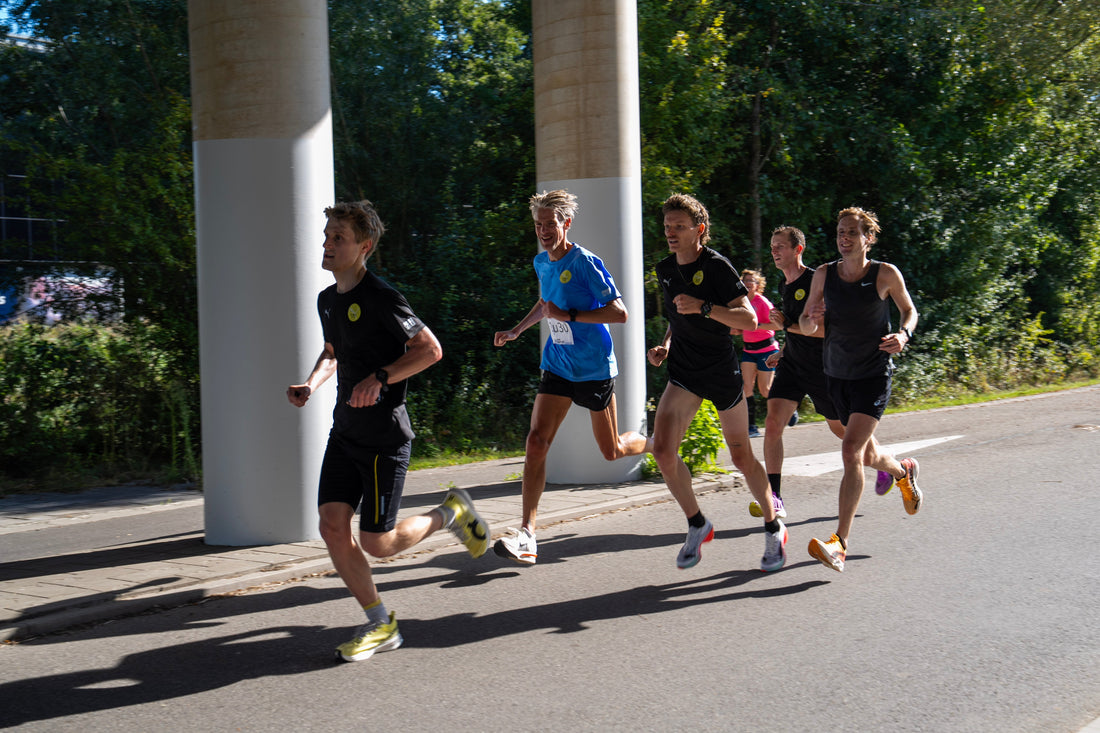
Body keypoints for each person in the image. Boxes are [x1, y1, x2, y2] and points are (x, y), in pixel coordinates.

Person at [288, 200, 490, 662]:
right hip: (345, 432)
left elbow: (430, 350)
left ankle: (451, 514)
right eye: (326, 236)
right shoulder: (328, 299)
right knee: (332, 526)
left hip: (384, 440)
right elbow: (334, 351)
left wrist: (380, 378)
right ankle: (380, 623)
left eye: (337, 237)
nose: (327, 243)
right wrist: (311, 383)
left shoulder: (381, 297)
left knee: (379, 544)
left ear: (365, 246)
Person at [492, 189, 650, 565]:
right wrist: (518, 330)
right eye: (538, 225)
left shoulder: (585, 262)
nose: (544, 231)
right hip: (558, 364)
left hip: (594, 366)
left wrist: (572, 317)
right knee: (536, 441)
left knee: (611, 451)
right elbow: (547, 303)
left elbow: (620, 313)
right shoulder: (541, 262)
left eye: (550, 224)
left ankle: (656, 443)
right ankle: (528, 534)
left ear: (566, 222)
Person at [648, 193, 786, 573]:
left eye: (679, 226)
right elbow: (678, 320)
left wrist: (706, 307)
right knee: (662, 450)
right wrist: (663, 345)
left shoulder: (716, 267)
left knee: (741, 457)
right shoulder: (664, 268)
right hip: (684, 371)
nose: (671, 233)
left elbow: (749, 321)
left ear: (699, 230)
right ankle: (697, 523)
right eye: (667, 227)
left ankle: (773, 526)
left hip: (721, 371)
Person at [798, 206, 924, 572]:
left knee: (851, 450)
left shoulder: (884, 274)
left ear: (868, 237)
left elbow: (909, 311)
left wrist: (904, 334)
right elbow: (806, 323)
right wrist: (811, 319)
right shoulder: (823, 274)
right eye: (840, 232)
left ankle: (840, 543)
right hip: (835, 374)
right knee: (868, 457)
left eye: (852, 232)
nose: (844, 238)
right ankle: (903, 473)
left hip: (872, 374)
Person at [733, 268, 781, 437]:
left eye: (751, 281)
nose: (747, 284)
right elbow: (740, 327)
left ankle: (786, 409)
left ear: (757, 285)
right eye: (744, 280)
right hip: (749, 350)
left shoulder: (763, 303)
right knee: (746, 387)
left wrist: (757, 326)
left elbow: (778, 325)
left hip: (767, 349)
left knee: (766, 390)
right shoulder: (741, 302)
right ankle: (751, 426)